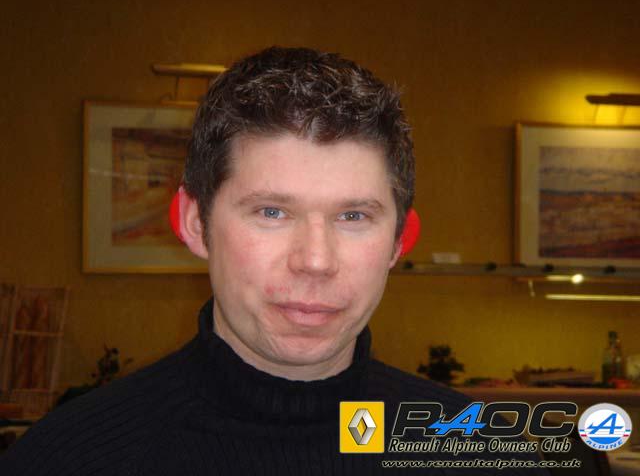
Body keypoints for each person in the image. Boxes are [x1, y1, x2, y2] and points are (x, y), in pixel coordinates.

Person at [1, 47, 549, 475]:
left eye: (353, 216)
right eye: (271, 212)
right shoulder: (68, 459)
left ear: (398, 241)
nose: (316, 261)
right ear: (194, 223)